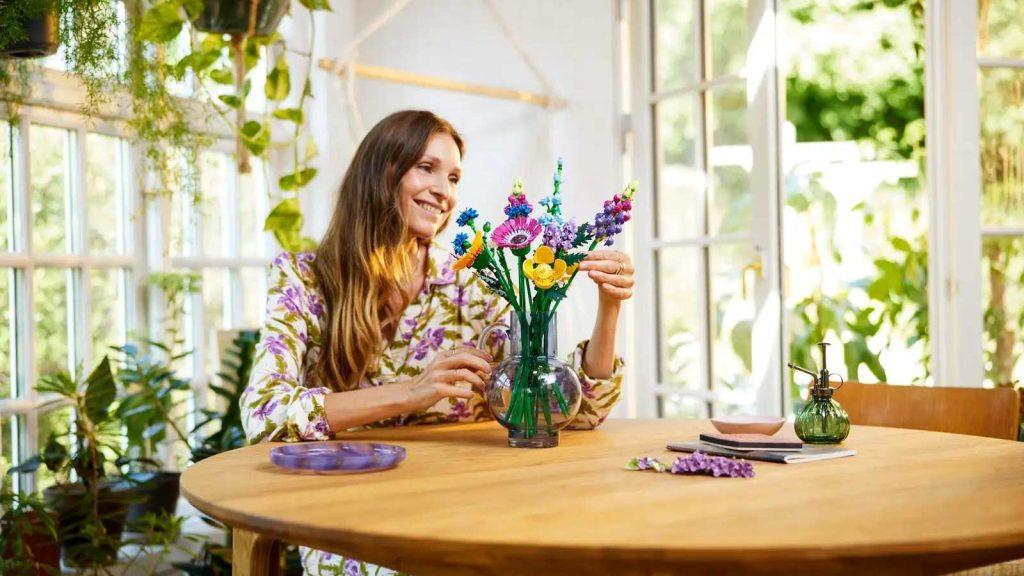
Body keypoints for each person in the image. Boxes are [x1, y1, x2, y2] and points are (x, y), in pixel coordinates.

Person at [241, 110, 634, 574]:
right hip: (348, 509)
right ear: (380, 171)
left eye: (452, 177)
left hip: (465, 503)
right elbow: (264, 415)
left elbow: (569, 412)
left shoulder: (475, 279)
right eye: (426, 168)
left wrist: (608, 309)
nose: (444, 192)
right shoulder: (304, 279)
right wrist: (410, 393)